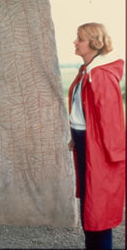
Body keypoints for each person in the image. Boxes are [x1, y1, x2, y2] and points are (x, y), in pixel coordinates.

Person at [68, 22, 125, 250]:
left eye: (80, 39)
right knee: (90, 207)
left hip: (98, 149)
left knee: (98, 208)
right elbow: (83, 110)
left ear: (94, 43)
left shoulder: (99, 75)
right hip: (84, 143)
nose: (75, 42)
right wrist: (75, 136)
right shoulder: (87, 71)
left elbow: (111, 122)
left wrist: (112, 159)